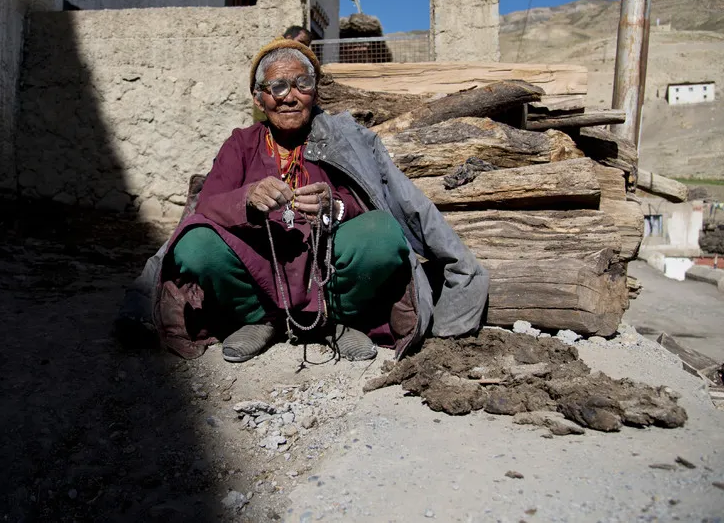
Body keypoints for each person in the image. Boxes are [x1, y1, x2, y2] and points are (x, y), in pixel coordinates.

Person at [120, 38, 488, 363]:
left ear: (316, 93)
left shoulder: (346, 138)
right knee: (196, 245)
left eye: (302, 83)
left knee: (381, 234)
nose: (290, 95)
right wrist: (247, 199)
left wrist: (336, 206)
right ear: (259, 98)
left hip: (328, 267)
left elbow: (379, 198)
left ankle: (341, 321)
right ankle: (256, 321)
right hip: (260, 269)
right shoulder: (241, 143)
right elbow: (209, 205)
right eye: (277, 86)